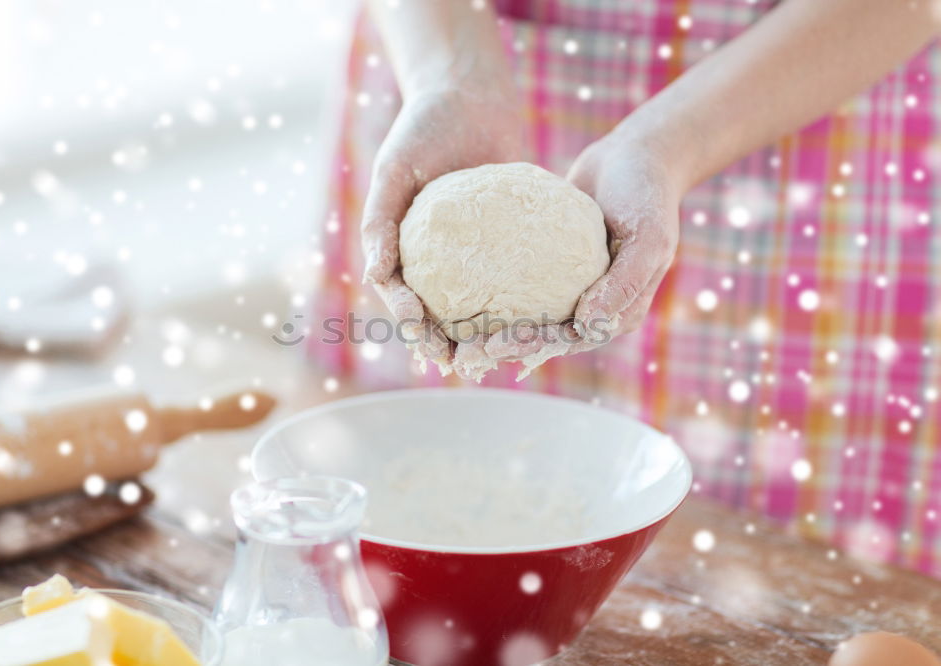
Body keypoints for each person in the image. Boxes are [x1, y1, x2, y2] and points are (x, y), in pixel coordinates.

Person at [310, 0, 941, 576]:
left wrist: (671, 142)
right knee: (438, 499)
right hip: (449, 59)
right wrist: (450, 76)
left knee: (764, 561)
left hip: (805, 92)